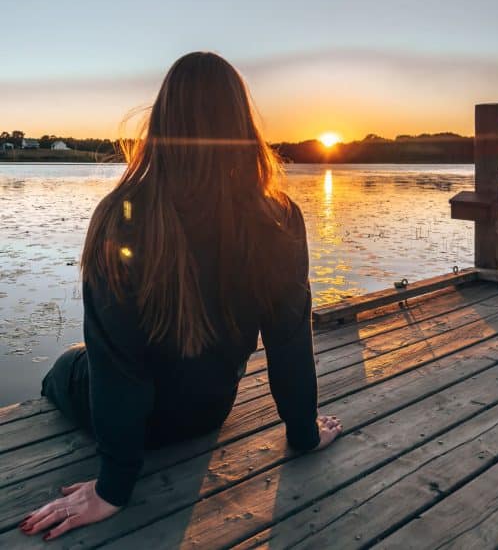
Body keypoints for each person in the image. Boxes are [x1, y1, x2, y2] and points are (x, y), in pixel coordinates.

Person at [18, 51, 343, 542]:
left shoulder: (121, 214)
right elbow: (290, 339)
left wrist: (113, 488)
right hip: (207, 413)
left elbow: (116, 365)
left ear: (162, 123)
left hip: (142, 426)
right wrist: (304, 433)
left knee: (66, 365)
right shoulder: (278, 216)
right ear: (241, 127)